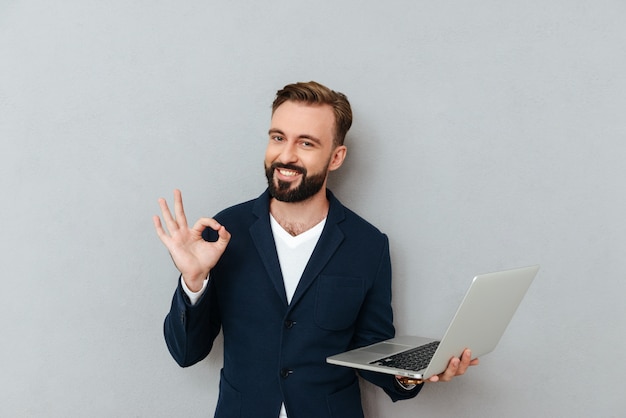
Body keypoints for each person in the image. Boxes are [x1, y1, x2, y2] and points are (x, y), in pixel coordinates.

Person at [153, 81, 478, 418]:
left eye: (306, 143)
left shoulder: (368, 244)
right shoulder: (225, 232)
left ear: (336, 157)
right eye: (278, 137)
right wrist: (193, 281)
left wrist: (409, 375)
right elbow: (186, 352)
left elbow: (370, 349)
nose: (286, 155)